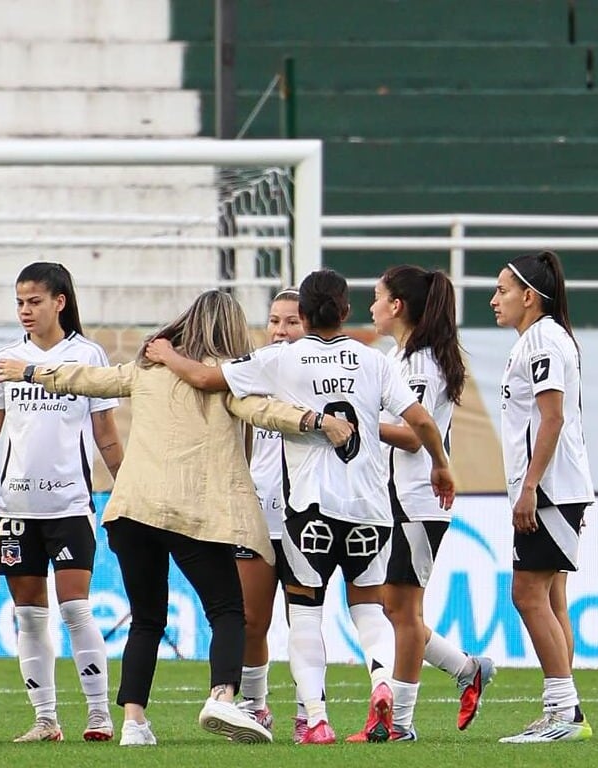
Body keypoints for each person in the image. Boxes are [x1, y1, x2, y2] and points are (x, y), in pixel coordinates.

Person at [0, 289, 355, 747]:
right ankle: (222, 695)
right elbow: (266, 411)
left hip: (132, 510)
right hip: (194, 512)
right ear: (229, 328)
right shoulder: (226, 379)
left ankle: (133, 722)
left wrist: (27, 370)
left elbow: (86, 379)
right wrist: (319, 421)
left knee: (147, 619)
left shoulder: (147, 369)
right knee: (227, 611)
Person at [145, 270, 455, 746]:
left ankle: (316, 719)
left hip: (309, 509)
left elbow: (207, 379)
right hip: (370, 509)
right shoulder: (375, 361)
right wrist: (442, 465)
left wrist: (166, 353)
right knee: (370, 611)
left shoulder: (282, 360)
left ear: (304, 316)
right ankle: (379, 685)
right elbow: (420, 422)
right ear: (346, 310)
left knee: (305, 616)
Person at [0, 263, 123, 743]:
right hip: (14, 507)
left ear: (60, 301)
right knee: (27, 614)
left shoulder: (87, 356)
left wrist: (126, 488)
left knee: (75, 610)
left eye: (35, 301)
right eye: (20, 302)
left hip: (69, 505)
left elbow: (106, 434)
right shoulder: (4, 359)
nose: (26, 311)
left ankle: (97, 715)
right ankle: (45, 719)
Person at [369, 265, 495, 740]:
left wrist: (360, 421)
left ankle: (400, 724)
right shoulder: (400, 357)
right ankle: (468, 669)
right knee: (392, 606)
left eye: (377, 297)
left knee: (403, 612)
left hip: (419, 500)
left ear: (397, 305)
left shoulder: (420, 363)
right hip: (399, 497)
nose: (373, 306)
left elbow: (415, 435)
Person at [490, 251, 594, 743]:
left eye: (503, 290)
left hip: (549, 490)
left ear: (530, 296)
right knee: (550, 597)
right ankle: (563, 710)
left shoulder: (544, 340)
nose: (494, 299)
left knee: (527, 594)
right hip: (552, 488)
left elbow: (551, 419)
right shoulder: (537, 340)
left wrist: (530, 487)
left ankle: (564, 713)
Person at [232, 288, 306, 739]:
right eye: (275, 321)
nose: (280, 330)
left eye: (292, 322)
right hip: (259, 513)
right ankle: (255, 706)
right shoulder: (253, 371)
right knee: (251, 619)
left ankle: (307, 708)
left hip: (305, 515)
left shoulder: (322, 374)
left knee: (304, 620)